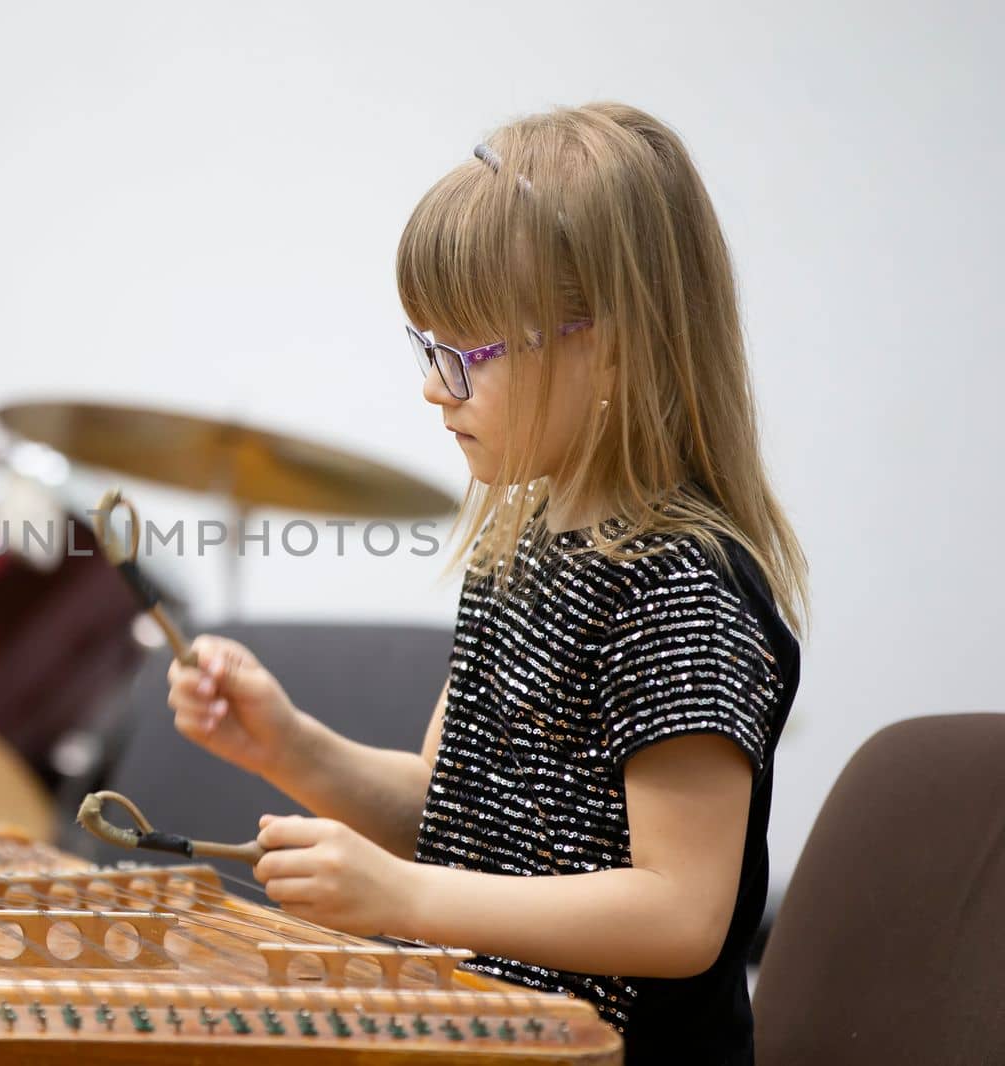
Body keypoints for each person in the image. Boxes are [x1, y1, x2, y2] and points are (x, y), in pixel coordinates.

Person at [166, 101, 808, 1065]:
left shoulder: (683, 591)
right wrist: (290, 745)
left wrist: (403, 896)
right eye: (429, 350)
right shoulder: (524, 547)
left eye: (467, 356)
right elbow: (458, 813)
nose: (435, 388)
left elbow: (681, 912)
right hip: (488, 1040)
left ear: (612, 343)